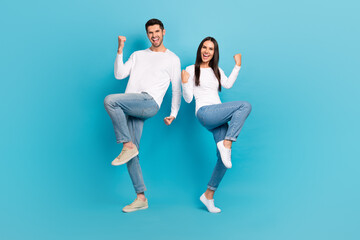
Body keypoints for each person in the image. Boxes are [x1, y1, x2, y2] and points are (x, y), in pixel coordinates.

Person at [104, 19, 181, 213]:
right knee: (132, 154)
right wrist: (120, 50)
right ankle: (141, 198)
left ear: (164, 32)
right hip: (132, 105)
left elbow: (177, 89)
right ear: (147, 35)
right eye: (150, 32)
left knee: (110, 100)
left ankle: (126, 144)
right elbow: (120, 74)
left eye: (157, 31)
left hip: (149, 102)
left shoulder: (172, 59)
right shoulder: (138, 55)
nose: (154, 35)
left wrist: (173, 113)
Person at [181, 37, 251, 213]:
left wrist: (238, 66)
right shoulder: (191, 69)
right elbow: (188, 99)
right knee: (244, 106)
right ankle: (227, 142)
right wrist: (183, 81)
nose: (206, 51)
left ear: (214, 53)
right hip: (205, 112)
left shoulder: (216, 70)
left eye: (210, 49)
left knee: (223, 160)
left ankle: (208, 196)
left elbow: (227, 84)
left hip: (218, 115)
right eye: (204, 47)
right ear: (200, 50)